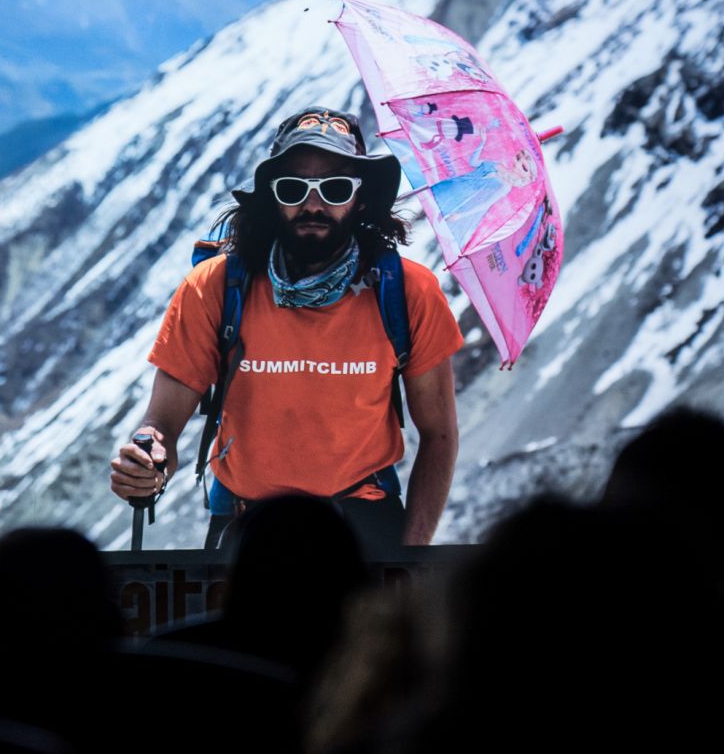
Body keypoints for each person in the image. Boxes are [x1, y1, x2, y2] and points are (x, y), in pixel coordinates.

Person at [108, 106, 464, 552]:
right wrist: (148, 457)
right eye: (294, 188)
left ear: (360, 199)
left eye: (334, 189)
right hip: (250, 524)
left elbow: (440, 434)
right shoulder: (215, 288)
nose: (313, 204)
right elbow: (162, 424)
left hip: (362, 525)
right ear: (271, 197)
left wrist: (408, 559)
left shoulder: (408, 292)